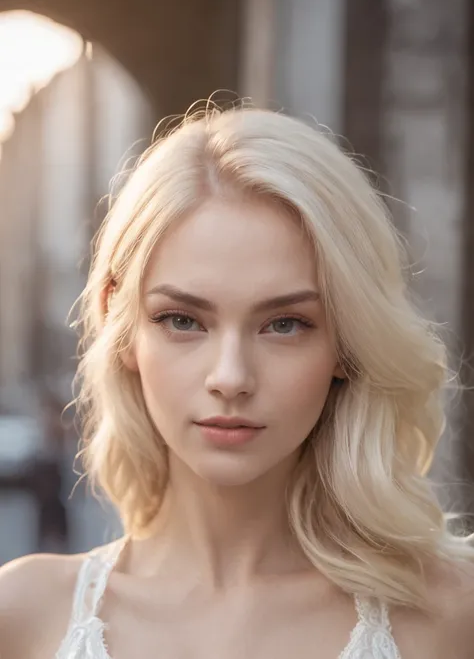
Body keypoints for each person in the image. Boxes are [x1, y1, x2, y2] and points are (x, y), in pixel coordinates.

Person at [1, 101, 474, 659]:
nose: (230, 378)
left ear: (348, 341)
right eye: (183, 321)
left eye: (284, 324)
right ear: (120, 325)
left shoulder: (452, 614)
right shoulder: (22, 613)